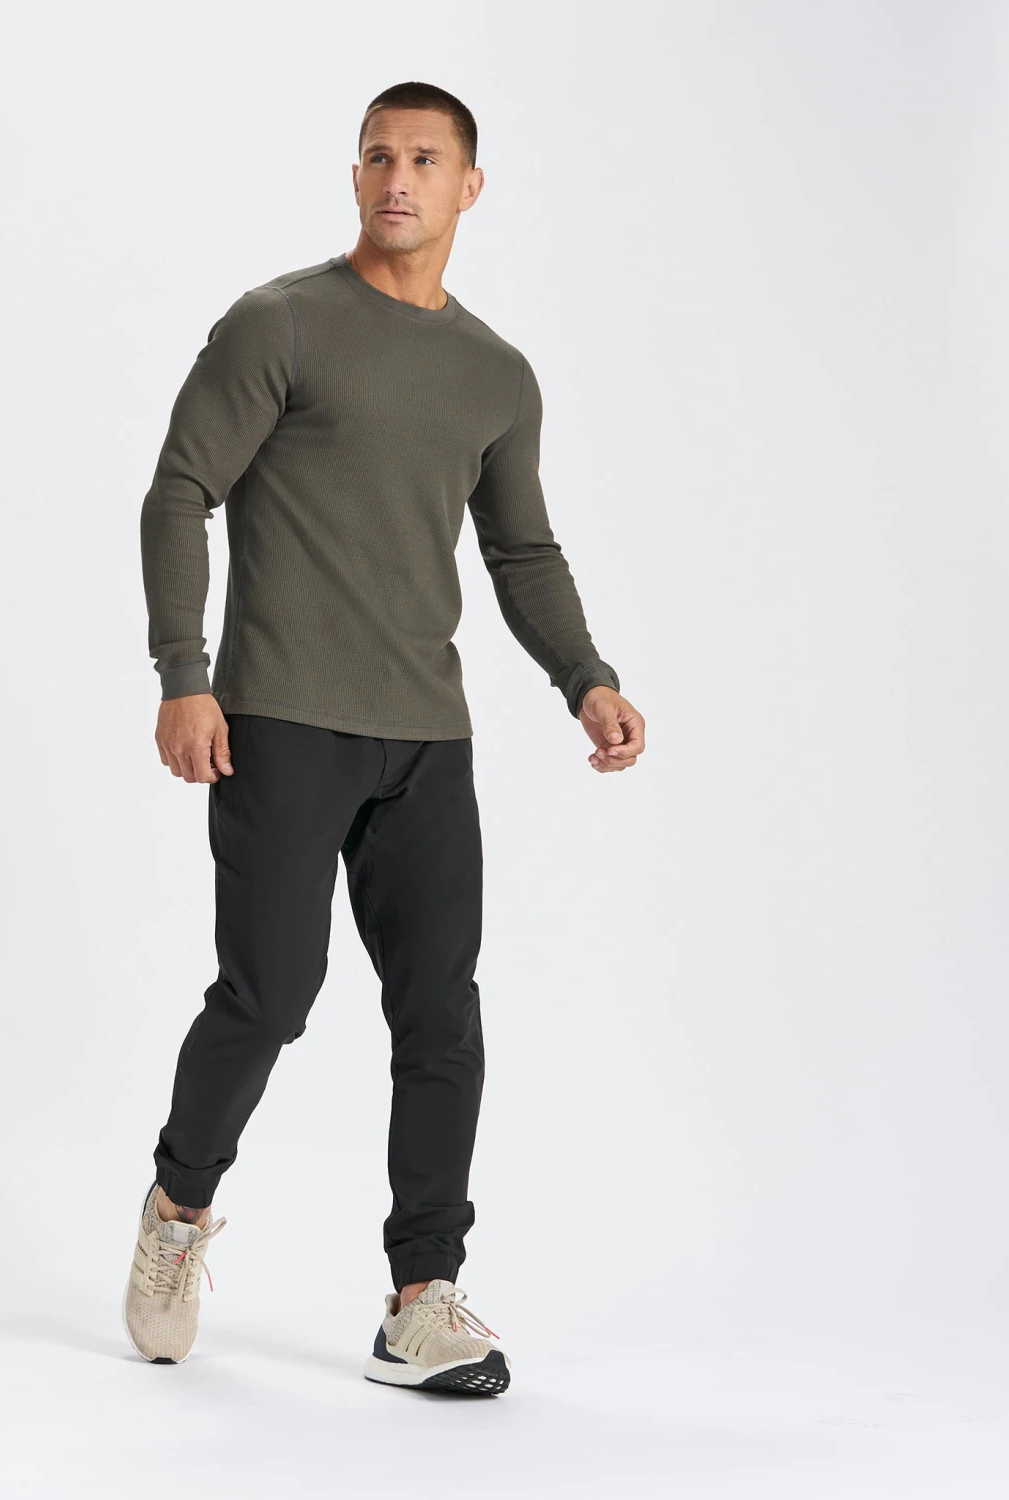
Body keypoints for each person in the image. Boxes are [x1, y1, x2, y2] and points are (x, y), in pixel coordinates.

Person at [125, 80, 646, 1395]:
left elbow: (522, 548)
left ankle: (422, 1298)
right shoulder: (282, 322)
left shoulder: (496, 375)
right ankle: (178, 1210)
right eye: (376, 155)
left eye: (423, 158)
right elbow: (181, 490)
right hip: (281, 718)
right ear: (354, 175)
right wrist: (185, 673)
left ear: (470, 186)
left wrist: (584, 676)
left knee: (440, 1014)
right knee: (269, 994)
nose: (397, 177)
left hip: (426, 735)